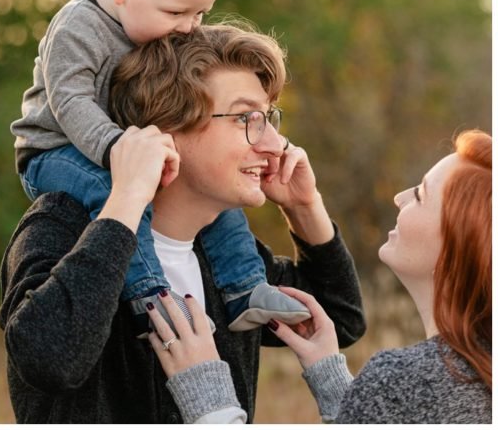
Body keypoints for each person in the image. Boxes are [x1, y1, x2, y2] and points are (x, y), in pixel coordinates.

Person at [0, 21, 366, 423]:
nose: (275, 145)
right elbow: (50, 359)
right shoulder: (62, 228)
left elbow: (338, 320)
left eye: (269, 118)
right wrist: (125, 198)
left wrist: (305, 206)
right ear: (167, 128)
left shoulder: (226, 262)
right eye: (247, 119)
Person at [11, 0, 308, 336]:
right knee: (111, 188)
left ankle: (245, 288)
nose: (189, 27)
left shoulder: (156, 25)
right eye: (177, 12)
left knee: (214, 190)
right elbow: (70, 102)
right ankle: (151, 297)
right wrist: (118, 150)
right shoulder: (78, 28)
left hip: (123, 145)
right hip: (55, 149)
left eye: (200, 13)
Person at [159, 129, 491, 423]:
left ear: (458, 244)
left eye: (420, 194)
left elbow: (344, 317)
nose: (399, 196)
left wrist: (208, 398)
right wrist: (332, 381)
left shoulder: (406, 382)